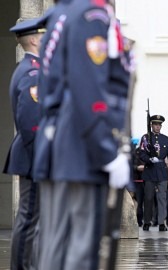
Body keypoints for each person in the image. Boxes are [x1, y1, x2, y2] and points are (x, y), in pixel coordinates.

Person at [33, 1, 132, 269]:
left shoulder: (65, 13)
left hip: (64, 140)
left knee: (56, 248)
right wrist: (107, 152)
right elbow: (89, 90)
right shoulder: (92, 16)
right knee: (80, 251)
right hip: (82, 145)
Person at [3, 14, 49, 270]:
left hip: (35, 155)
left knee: (32, 219)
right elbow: (31, 123)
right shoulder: (33, 72)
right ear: (33, 39)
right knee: (29, 218)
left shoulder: (35, 69)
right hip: (35, 157)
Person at [139, 115, 168, 231]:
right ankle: (147, 221)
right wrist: (149, 159)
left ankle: (161, 223)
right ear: (151, 125)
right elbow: (141, 154)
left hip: (161, 171)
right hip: (149, 171)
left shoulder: (166, 139)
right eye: (155, 124)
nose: (157, 126)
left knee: (162, 198)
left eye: (159, 125)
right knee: (149, 198)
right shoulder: (145, 138)